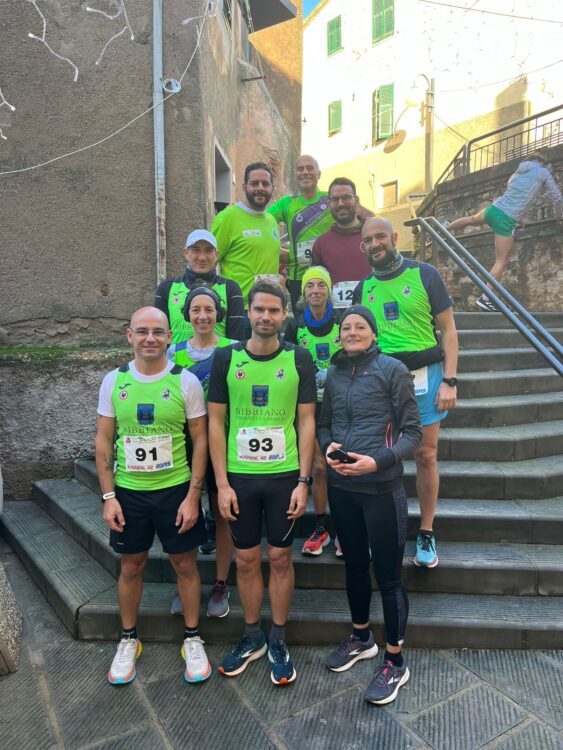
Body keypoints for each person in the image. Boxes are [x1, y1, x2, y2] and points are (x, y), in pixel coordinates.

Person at [207, 280, 316, 685]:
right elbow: (215, 422)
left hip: (284, 475)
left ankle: (278, 639)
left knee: (281, 558)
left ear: (285, 313)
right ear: (248, 313)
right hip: (240, 477)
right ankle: (252, 635)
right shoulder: (226, 357)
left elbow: (307, 420)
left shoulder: (299, 357)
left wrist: (304, 480)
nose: (266, 317)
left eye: (273, 310)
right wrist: (221, 484)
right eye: (259, 309)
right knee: (247, 559)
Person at [95, 307, 210, 685]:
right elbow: (103, 441)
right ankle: (128, 639)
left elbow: (201, 441)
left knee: (185, 565)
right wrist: (108, 496)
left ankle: (192, 638)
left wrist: (193, 496)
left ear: (168, 337)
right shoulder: (114, 381)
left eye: (158, 332)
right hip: (130, 493)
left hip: (175, 491)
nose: (150, 338)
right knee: (131, 565)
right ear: (129, 336)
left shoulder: (186, 381)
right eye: (142, 331)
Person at [318, 306, 421, 705]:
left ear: (374, 334)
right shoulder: (335, 372)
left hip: (381, 489)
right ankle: (362, 638)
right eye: (346, 327)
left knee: (389, 576)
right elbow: (324, 422)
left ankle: (395, 660)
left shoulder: (393, 370)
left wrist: (376, 462)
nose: (352, 332)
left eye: (360, 326)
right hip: (342, 487)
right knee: (355, 566)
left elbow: (412, 433)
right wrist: (327, 446)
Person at [353, 217, 459, 569]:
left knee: (425, 454)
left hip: (425, 376)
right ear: (363, 246)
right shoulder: (363, 287)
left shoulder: (425, 274)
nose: (375, 244)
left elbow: (448, 330)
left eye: (380, 237)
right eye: (368, 240)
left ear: (394, 237)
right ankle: (380, 529)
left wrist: (450, 380)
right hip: (381, 379)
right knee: (378, 455)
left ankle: (426, 531)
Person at [167, 286, 237, 618]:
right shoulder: (173, 352)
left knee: (222, 514)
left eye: (209, 309)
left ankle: (221, 583)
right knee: (186, 512)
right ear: (187, 314)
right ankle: (187, 582)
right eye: (196, 310)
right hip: (185, 446)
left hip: (223, 443)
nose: (202, 316)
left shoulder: (233, 349)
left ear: (218, 313)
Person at [445, 152, 563, 311]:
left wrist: (521, 218)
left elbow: (518, 196)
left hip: (493, 209)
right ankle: (485, 298)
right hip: (506, 219)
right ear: (541, 162)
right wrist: (559, 215)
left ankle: (444, 227)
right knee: (501, 260)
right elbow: (556, 196)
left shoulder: (517, 174)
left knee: (472, 219)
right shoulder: (542, 172)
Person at [284, 266, 342, 556]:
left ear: (328, 290)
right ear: (303, 292)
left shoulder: (342, 319)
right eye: (310, 286)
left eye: (321, 285)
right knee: (318, 467)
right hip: (310, 404)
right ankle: (321, 527)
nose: (316, 290)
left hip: (341, 402)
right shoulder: (296, 325)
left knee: (342, 466)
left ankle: (343, 528)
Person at [211, 162, 282, 323]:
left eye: (265, 184)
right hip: (240, 310)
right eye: (254, 183)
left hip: (269, 307)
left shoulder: (271, 220)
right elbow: (209, 261)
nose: (260, 188)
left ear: (272, 188)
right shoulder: (227, 218)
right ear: (244, 187)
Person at [154, 229, 245, 343]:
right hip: (176, 355)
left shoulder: (230, 289)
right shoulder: (166, 288)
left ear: (216, 254)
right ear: (186, 252)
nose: (202, 257)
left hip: (220, 355)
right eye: (196, 250)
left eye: (208, 250)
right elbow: (159, 335)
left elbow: (236, 341)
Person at [268, 155, 334, 312]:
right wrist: (278, 251)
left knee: (331, 321)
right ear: (295, 175)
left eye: (310, 168)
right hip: (299, 278)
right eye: (300, 169)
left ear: (319, 174)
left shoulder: (331, 199)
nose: (305, 172)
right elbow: (262, 220)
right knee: (301, 322)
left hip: (331, 274)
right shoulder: (287, 203)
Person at [311, 178, 371, 311]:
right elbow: (315, 284)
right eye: (335, 199)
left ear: (356, 200)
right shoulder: (321, 244)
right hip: (337, 317)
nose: (340, 204)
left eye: (346, 198)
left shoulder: (373, 235)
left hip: (374, 313)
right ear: (329, 204)